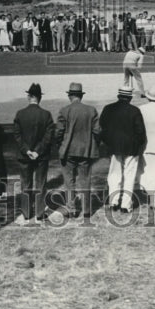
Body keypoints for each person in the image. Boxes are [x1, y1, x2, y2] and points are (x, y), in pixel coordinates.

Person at [55, 82, 101, 220]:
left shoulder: (64, 110)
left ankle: (72, 208)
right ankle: (87, 211)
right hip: (86, 150)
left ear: (70, 96)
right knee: (85, 180)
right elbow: (97, 131)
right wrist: (93, 144)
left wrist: (60, 145)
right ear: (80, 96)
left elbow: (58, 132)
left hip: (68, 150)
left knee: (69, 182)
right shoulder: (91, 110)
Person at [99, 86, 147, 213]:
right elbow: (141, 132)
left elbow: (102, 128)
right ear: (130, 97)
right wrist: (138, 144)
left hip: (114, 147)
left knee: (114, 175)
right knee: (129, 176)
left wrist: (108, 142)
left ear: (118, 96)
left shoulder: (108, 108)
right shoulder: (134, 111)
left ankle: (113, 202)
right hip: (131, 148)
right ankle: (126, 204)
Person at [12, 83, 54, 224]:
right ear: (40, 97)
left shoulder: (20, 114)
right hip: (41, 156)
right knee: (41, 183)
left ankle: (26, 213)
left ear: (29, 96)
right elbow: (48, 137)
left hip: (24, 155)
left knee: (25, 184)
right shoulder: (46, 115)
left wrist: (27, 150)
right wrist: (37, 151)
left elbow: (17, 136)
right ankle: (40, 213)